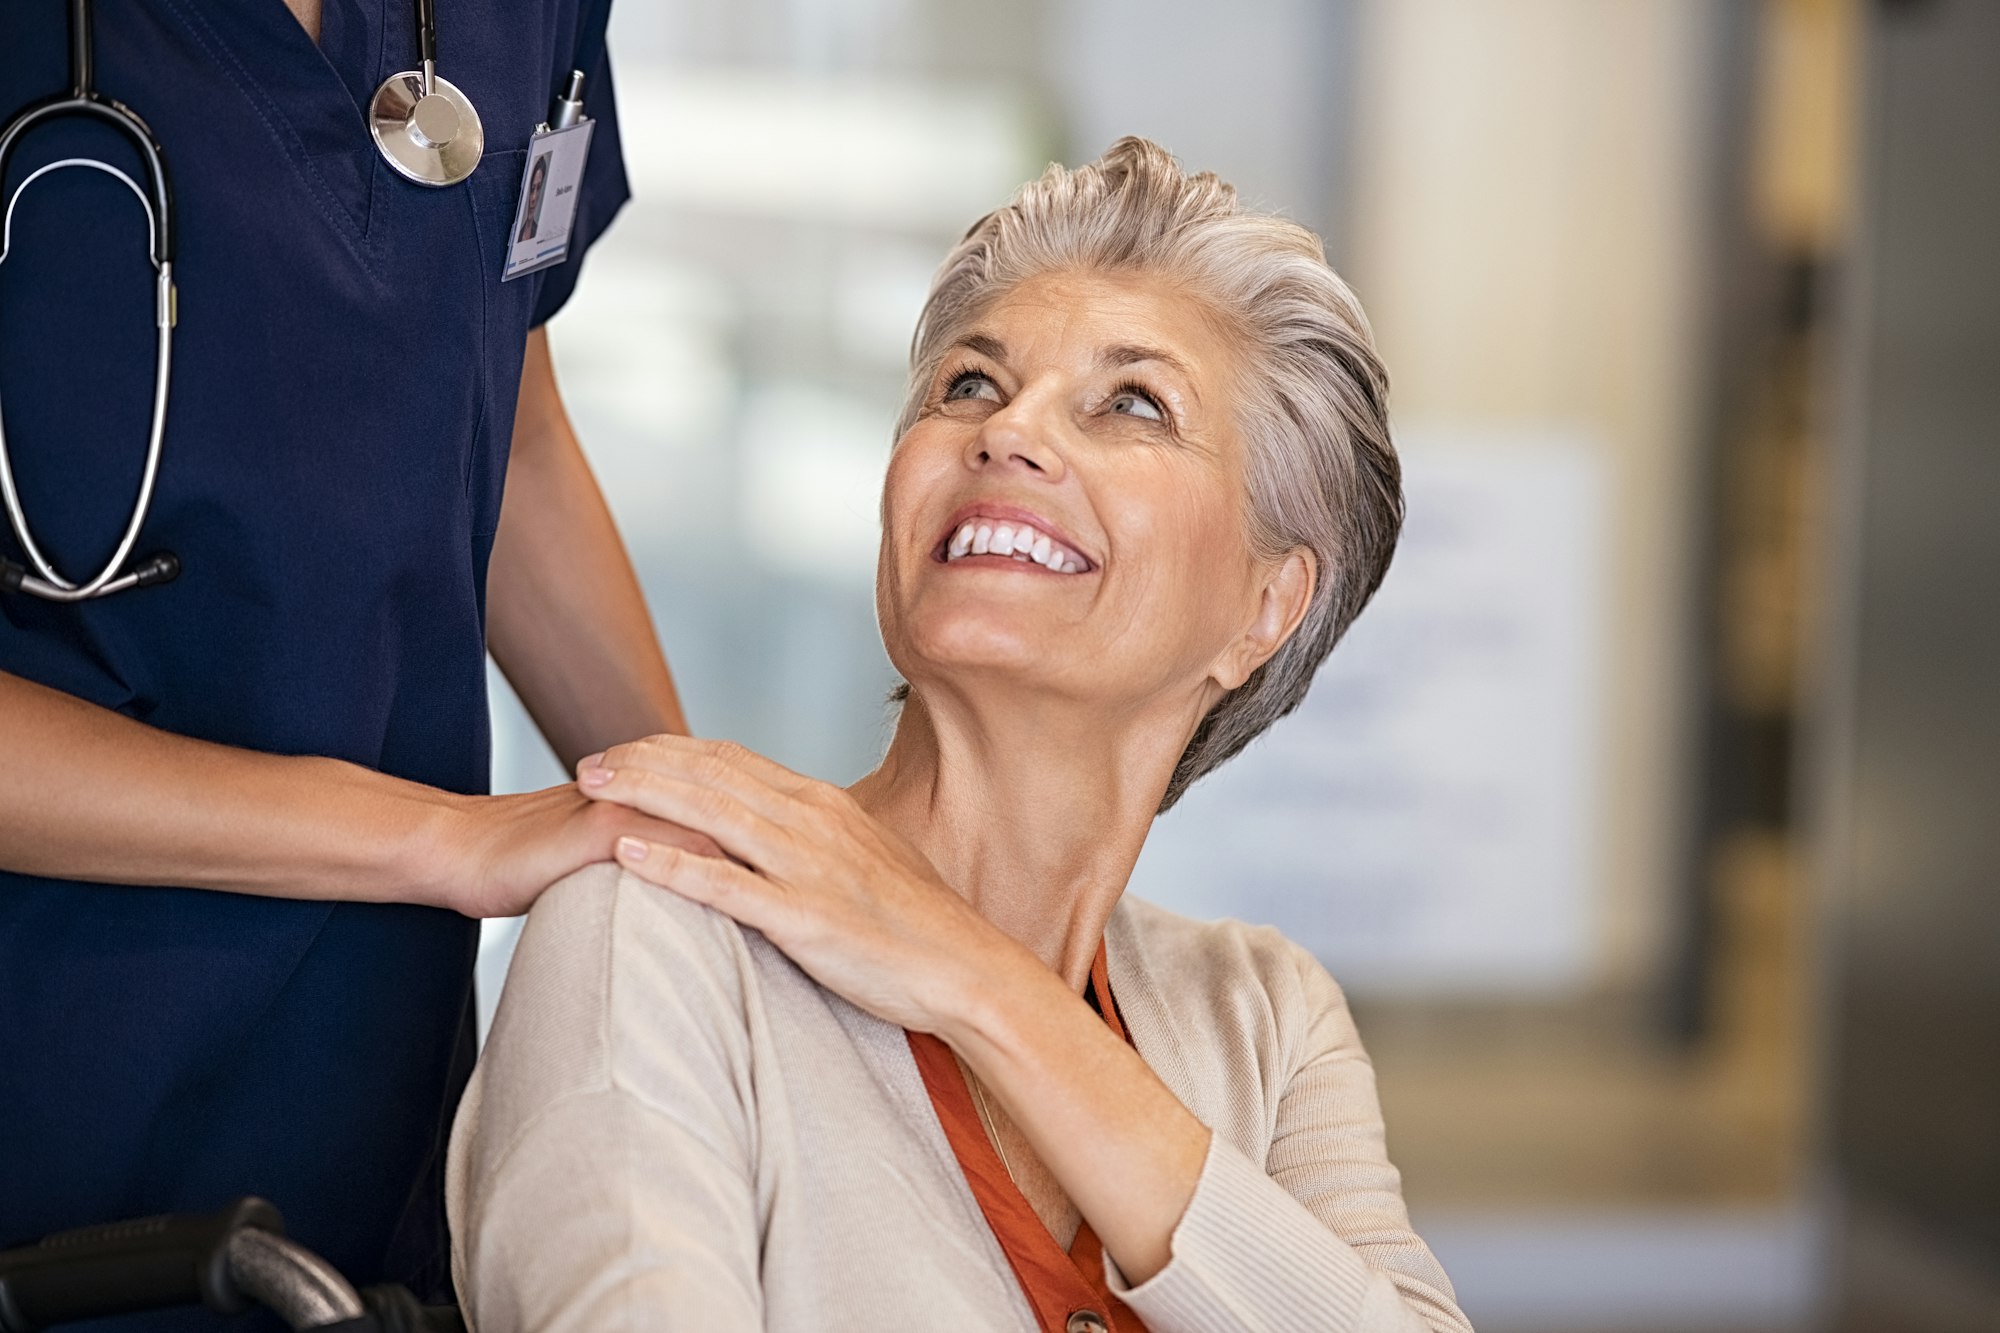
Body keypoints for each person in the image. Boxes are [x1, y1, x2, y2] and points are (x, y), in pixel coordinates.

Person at [448, 138, 1472, 1333]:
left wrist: (978, 983)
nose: (1007, 432)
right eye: (968, 385)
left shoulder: (1264, 1016)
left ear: (1264, 608)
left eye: (1131, 403)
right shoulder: (657, 931)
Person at [0, 0, 701, 1319]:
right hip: (51, 1096)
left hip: (365, 1114)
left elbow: (503, 427)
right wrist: (443, 840)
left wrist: (693, 817)